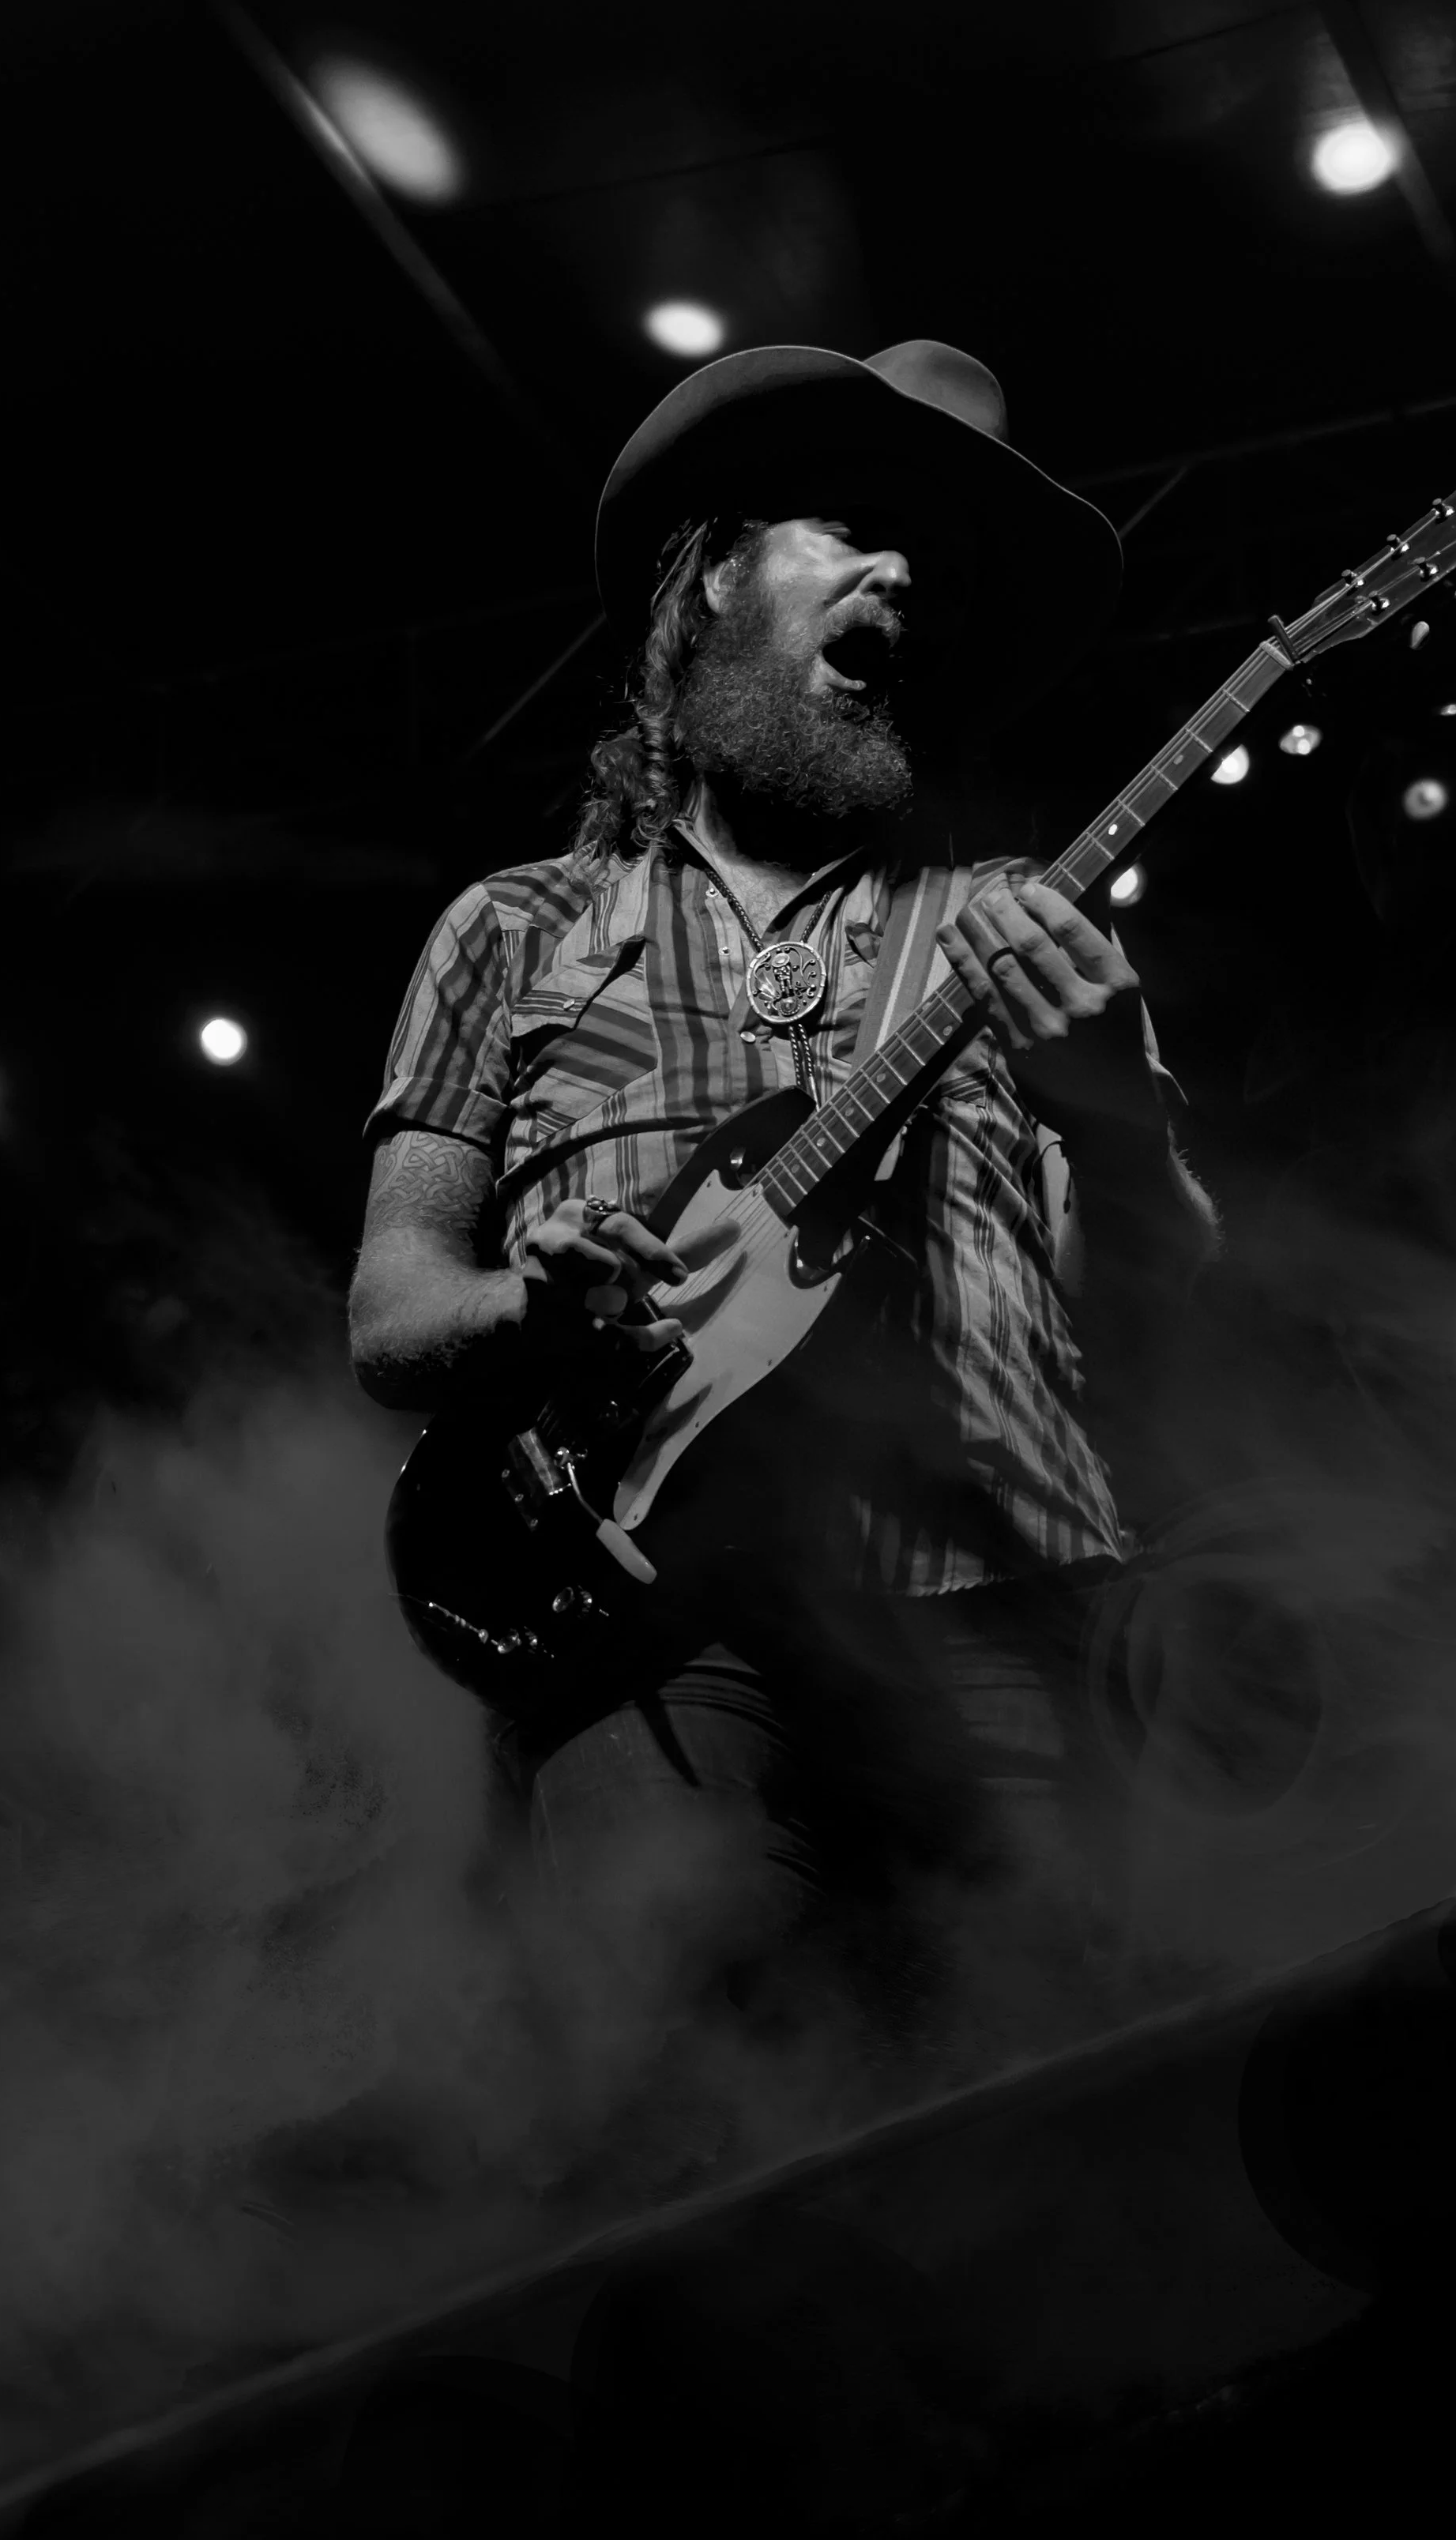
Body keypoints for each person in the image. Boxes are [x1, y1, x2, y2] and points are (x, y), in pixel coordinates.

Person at [348, 340, 1214, 2058]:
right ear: (713, 573)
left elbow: (1179, 1309)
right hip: (653, 1643)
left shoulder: (1018, 924)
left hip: (996, 1610)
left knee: (1037, 2123)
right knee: (698, 2108)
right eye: (856, 526)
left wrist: (1116, 1120)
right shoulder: (514, 931)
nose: (906, 575)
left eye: (934, 566)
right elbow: (391, 1312)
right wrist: (534, 1301)